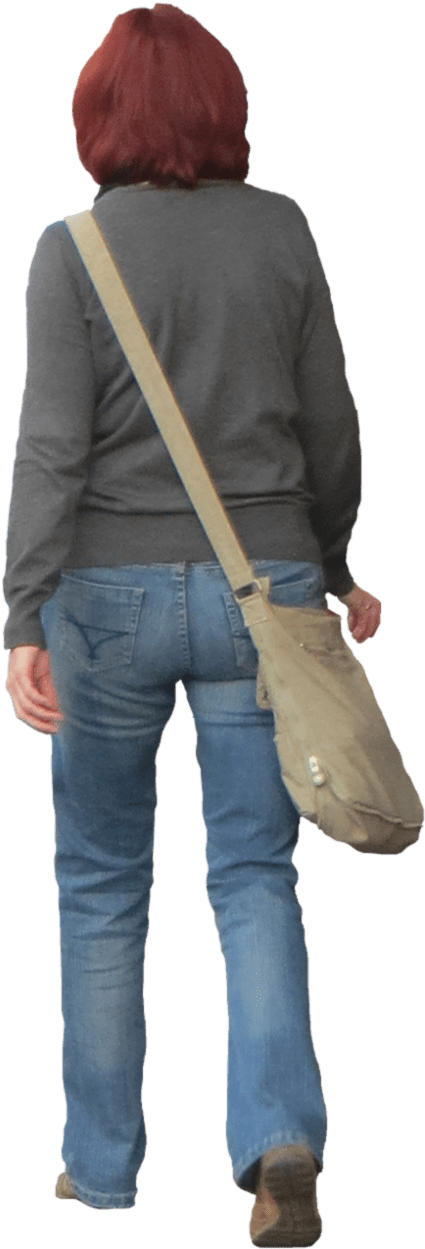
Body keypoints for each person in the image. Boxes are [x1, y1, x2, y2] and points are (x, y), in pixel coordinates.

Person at [2, 3, 381, 1236]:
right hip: (263, 591)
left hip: (102, 600)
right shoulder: (281, 228)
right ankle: (279, 1142)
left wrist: (22, 613)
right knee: (256, 874)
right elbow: (329, 424)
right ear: (224, 109)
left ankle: (101, 1170)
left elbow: (50, 449)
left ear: (97, 118)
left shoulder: (71, 248)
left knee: (102, 883)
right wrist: (333, 566)